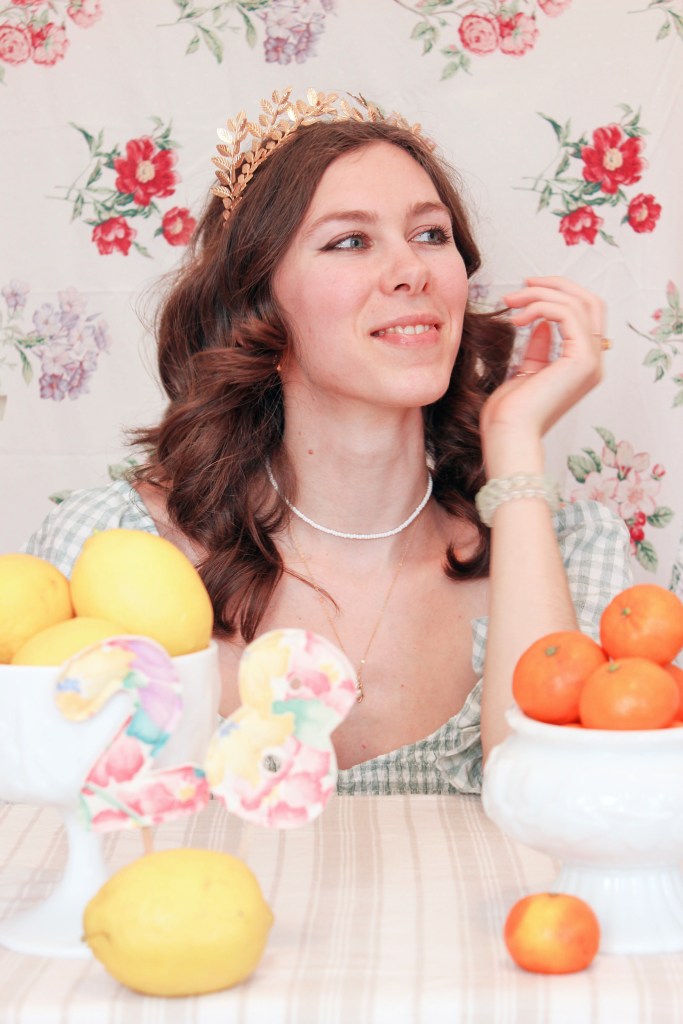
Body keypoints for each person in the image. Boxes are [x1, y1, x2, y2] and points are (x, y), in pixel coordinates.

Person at [25, 88, 632, 795]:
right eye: (349, 240)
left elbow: (556, 797)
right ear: (258, 306)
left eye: (431, 235)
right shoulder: (104, 550)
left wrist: (514, 439)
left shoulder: (567, 556)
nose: (412, 270)